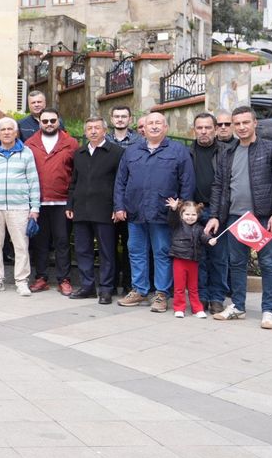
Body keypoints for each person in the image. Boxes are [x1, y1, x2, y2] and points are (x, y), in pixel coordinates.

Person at [205, 106, 272, 329]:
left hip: (263, 217)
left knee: (267, 264)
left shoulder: (271, 149)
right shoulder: (227, 152)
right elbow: (218, 186)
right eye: (237, 123)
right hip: (235, 218)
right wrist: (216, 216)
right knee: (236, 264)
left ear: (255, 123)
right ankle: (238, 306)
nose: (241, 127)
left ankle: (268, 310)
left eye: (245, 122)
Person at [114, 112, 195, 313]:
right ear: (143, 128)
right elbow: (120, 181)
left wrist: (182, 204)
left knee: (162, 252)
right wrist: (119, 206)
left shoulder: (178, 150)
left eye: (159, 123)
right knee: (136, 251)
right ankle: (139, 289)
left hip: (163, 214)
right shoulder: (132, 152)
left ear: (166, 127)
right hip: (135, 212)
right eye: (151, 123)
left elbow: (187, 181)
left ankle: (161, 294)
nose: (154, 126)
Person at [0, 117, 40, 296]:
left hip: (19, 206)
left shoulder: (26, 152)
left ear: (16, 132)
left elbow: (33, 181)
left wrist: (34, 208)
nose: (6, 132)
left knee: (21, 245)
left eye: (9, 129)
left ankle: (21, 281)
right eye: (2, 129)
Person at [66, 116, 124, 304]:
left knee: (107, 251)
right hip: (81, 208)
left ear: (104, 131)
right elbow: (74, 181)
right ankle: (87, 286)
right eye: (89, 128)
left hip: (105, 209)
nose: (92, 131)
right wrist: (70, 204)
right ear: (85, 131)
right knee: (83, 250)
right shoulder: (79, 153)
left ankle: (106, 289)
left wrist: (118, 207)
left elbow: (120, 183)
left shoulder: (116, 152)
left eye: (97, 128)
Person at [25, 107, 78, 295]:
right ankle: (41, 277)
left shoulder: (70, 143)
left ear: (58, 121)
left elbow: (76, 174)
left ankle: (64, 279)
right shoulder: (30, 144)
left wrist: (72, 201)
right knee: (40, 242)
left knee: (62, 241)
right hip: (38, 202)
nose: (49, 124)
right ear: (39, 122)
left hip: (62, 201)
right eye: (45, 121)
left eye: (52, 121)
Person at [190, 113, 229, 313]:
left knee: (219, 258)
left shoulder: (226, 151)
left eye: (207, 127)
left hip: (219, 212)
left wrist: (217, 212)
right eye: (199, 128)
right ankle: (202, 297)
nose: (203, 131)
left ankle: (217, 298)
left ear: (214, 129)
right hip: (194, 213)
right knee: (199, 258)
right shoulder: (187, 152)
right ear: (194, 129)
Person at [106, 105, 138, 294]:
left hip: (130, 201)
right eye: (116, 116)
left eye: (123, 116)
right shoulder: (104, 139)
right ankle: (109, 284)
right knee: (109, 246)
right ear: (111, 119)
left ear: (130, 119)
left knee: (129, 246)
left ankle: (128, 283)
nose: (120, 119)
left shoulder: (138, 141)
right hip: (107, 199)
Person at [166, 198, 213, 319]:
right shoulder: (177, 225)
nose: (190, 217)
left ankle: (197, 308)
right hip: (179, 260)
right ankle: (179, 308)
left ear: (198, 215)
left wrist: (210, 240)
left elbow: (204, 237)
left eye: (193, 214)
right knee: (179, 287)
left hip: (193, 261)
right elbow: (172, 219)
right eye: (187, 214)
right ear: (181, 214)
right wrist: (174, 209)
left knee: (193, 287)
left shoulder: (199, 228)